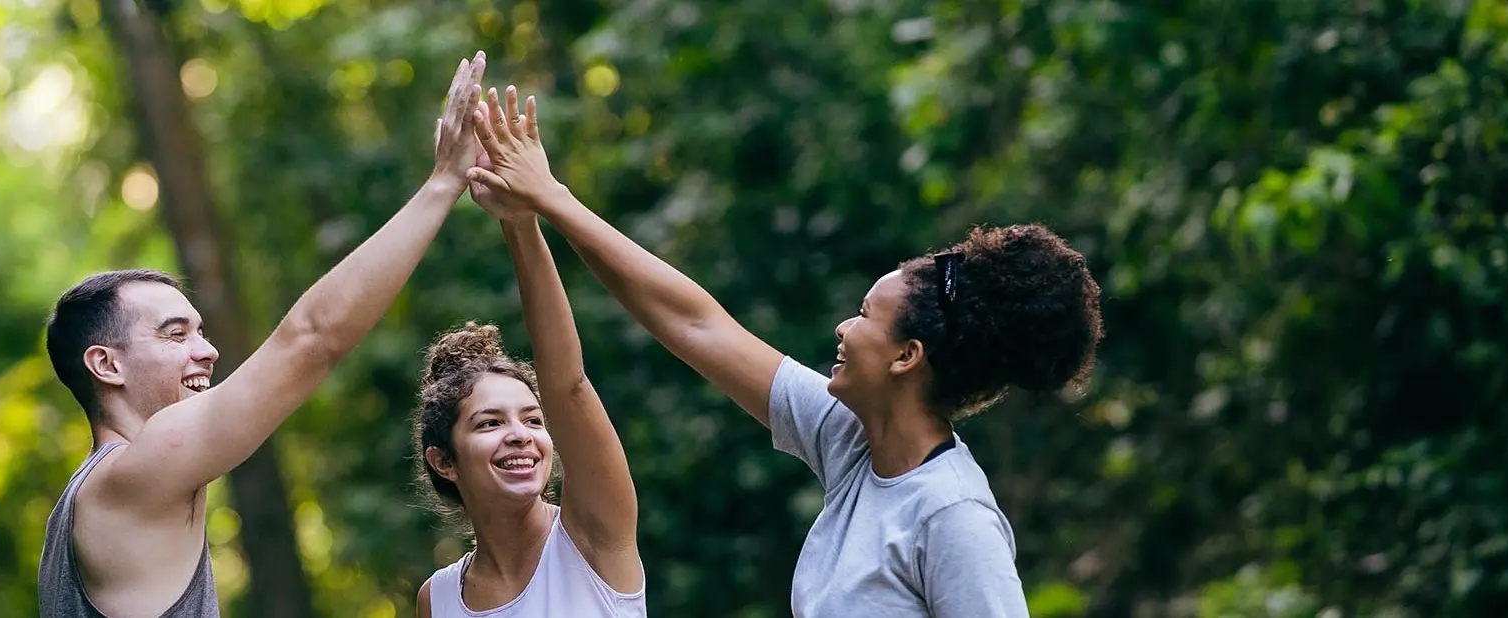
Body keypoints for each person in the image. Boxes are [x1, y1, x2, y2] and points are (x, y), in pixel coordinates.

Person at [465, 85, 1103, 617]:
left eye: (864, 317)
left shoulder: (952, 515)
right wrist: (549, 202)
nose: (843, 329)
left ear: (906, 357)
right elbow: (695, 324)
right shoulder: (852, 440)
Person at [34, 51, 489, 618]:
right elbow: (312, 339)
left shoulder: (96, 499)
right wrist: (443, 183)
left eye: (200, 331)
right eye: (175, 335)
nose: (208, 350)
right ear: (107, 365)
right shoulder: (131, 476)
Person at [409, 132, 646, 617]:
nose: (520, 436)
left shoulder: (592, 536)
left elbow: (569, 385)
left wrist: (520, 224)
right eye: (490, 423)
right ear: (444, 461)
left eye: (534, 420)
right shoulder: (438, 599)